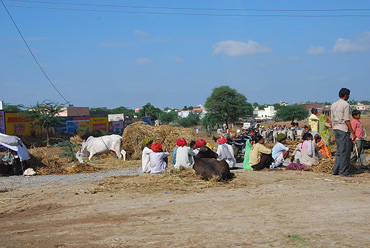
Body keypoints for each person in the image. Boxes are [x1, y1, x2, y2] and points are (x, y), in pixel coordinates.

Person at [330, 88, 356, 176]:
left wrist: (334, 129)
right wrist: (352, 131)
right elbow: (347, 120)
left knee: (339, 150)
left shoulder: (333, 104)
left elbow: (332, 118)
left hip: (336, 128)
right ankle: (343, 171)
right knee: (345, 151)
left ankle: (335, 169)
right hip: (343, 128)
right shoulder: (346, 105)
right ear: (346, 95)